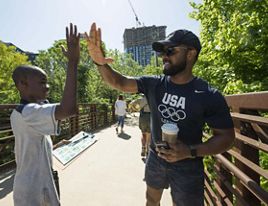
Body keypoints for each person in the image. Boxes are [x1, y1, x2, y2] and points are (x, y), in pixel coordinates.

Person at [85, 23, 235, 206]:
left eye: (170, 50)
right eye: (162, 51)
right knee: (151, 200)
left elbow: (226, 138)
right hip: (155, 158)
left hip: (188, 165)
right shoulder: (154, 84)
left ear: (190, 53)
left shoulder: (208, 95)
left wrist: (190, 151)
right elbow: (119, 82)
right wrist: (99, 63)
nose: (164, 56)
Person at [10, 23, 80, 206]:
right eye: (42, 83)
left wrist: (56, 145)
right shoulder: (29, 112)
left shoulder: (25, 112)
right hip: (33, 191)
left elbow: (34, 144)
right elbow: (69, 108)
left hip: (38, 184)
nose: (47, 87)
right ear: (23, 84)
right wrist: (73, 62)